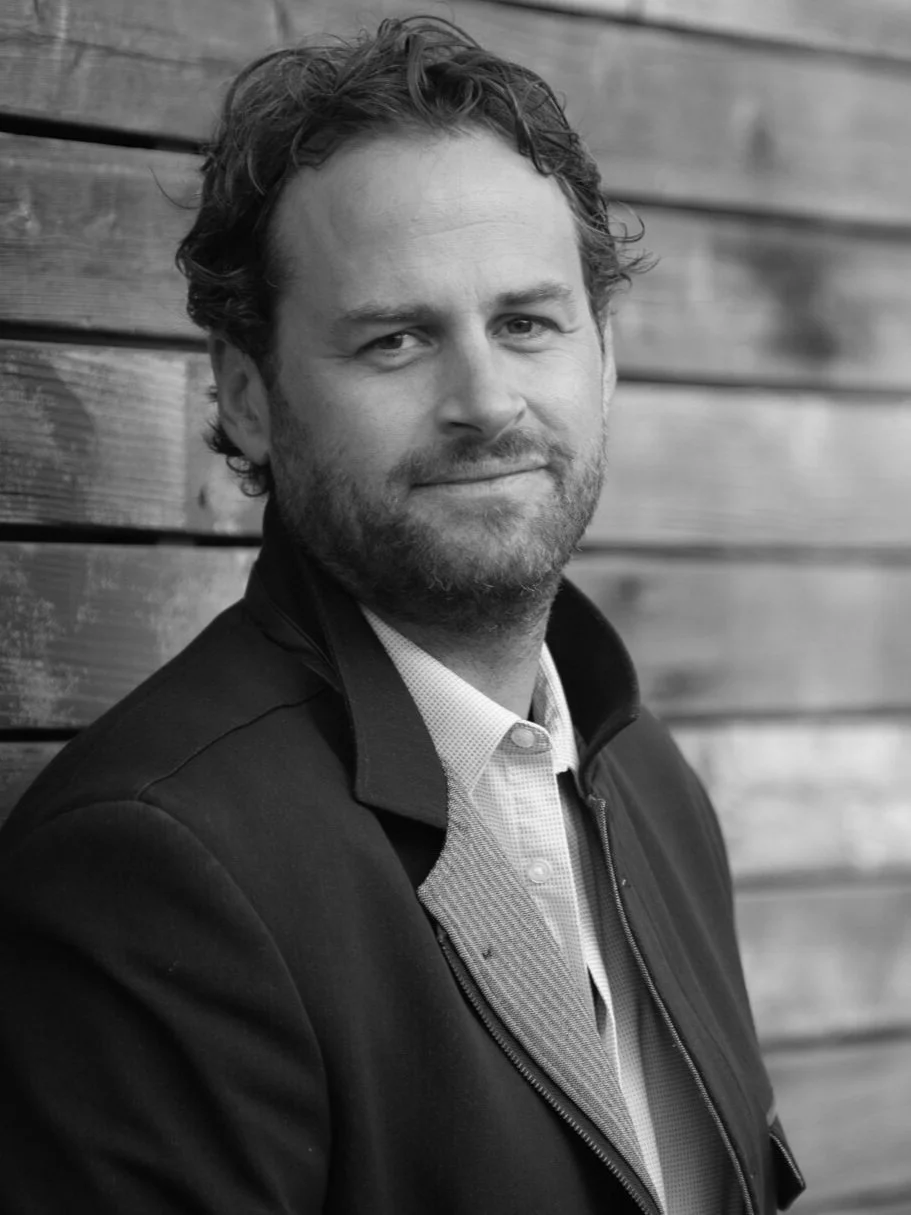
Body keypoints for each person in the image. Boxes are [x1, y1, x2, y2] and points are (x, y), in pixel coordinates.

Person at [0, 17, 805, 1214]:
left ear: (604, 361)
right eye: (394, 339)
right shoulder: (148, 866)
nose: (485, 402)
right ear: (248, 397)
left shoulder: (651, 787)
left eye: (526, 323)